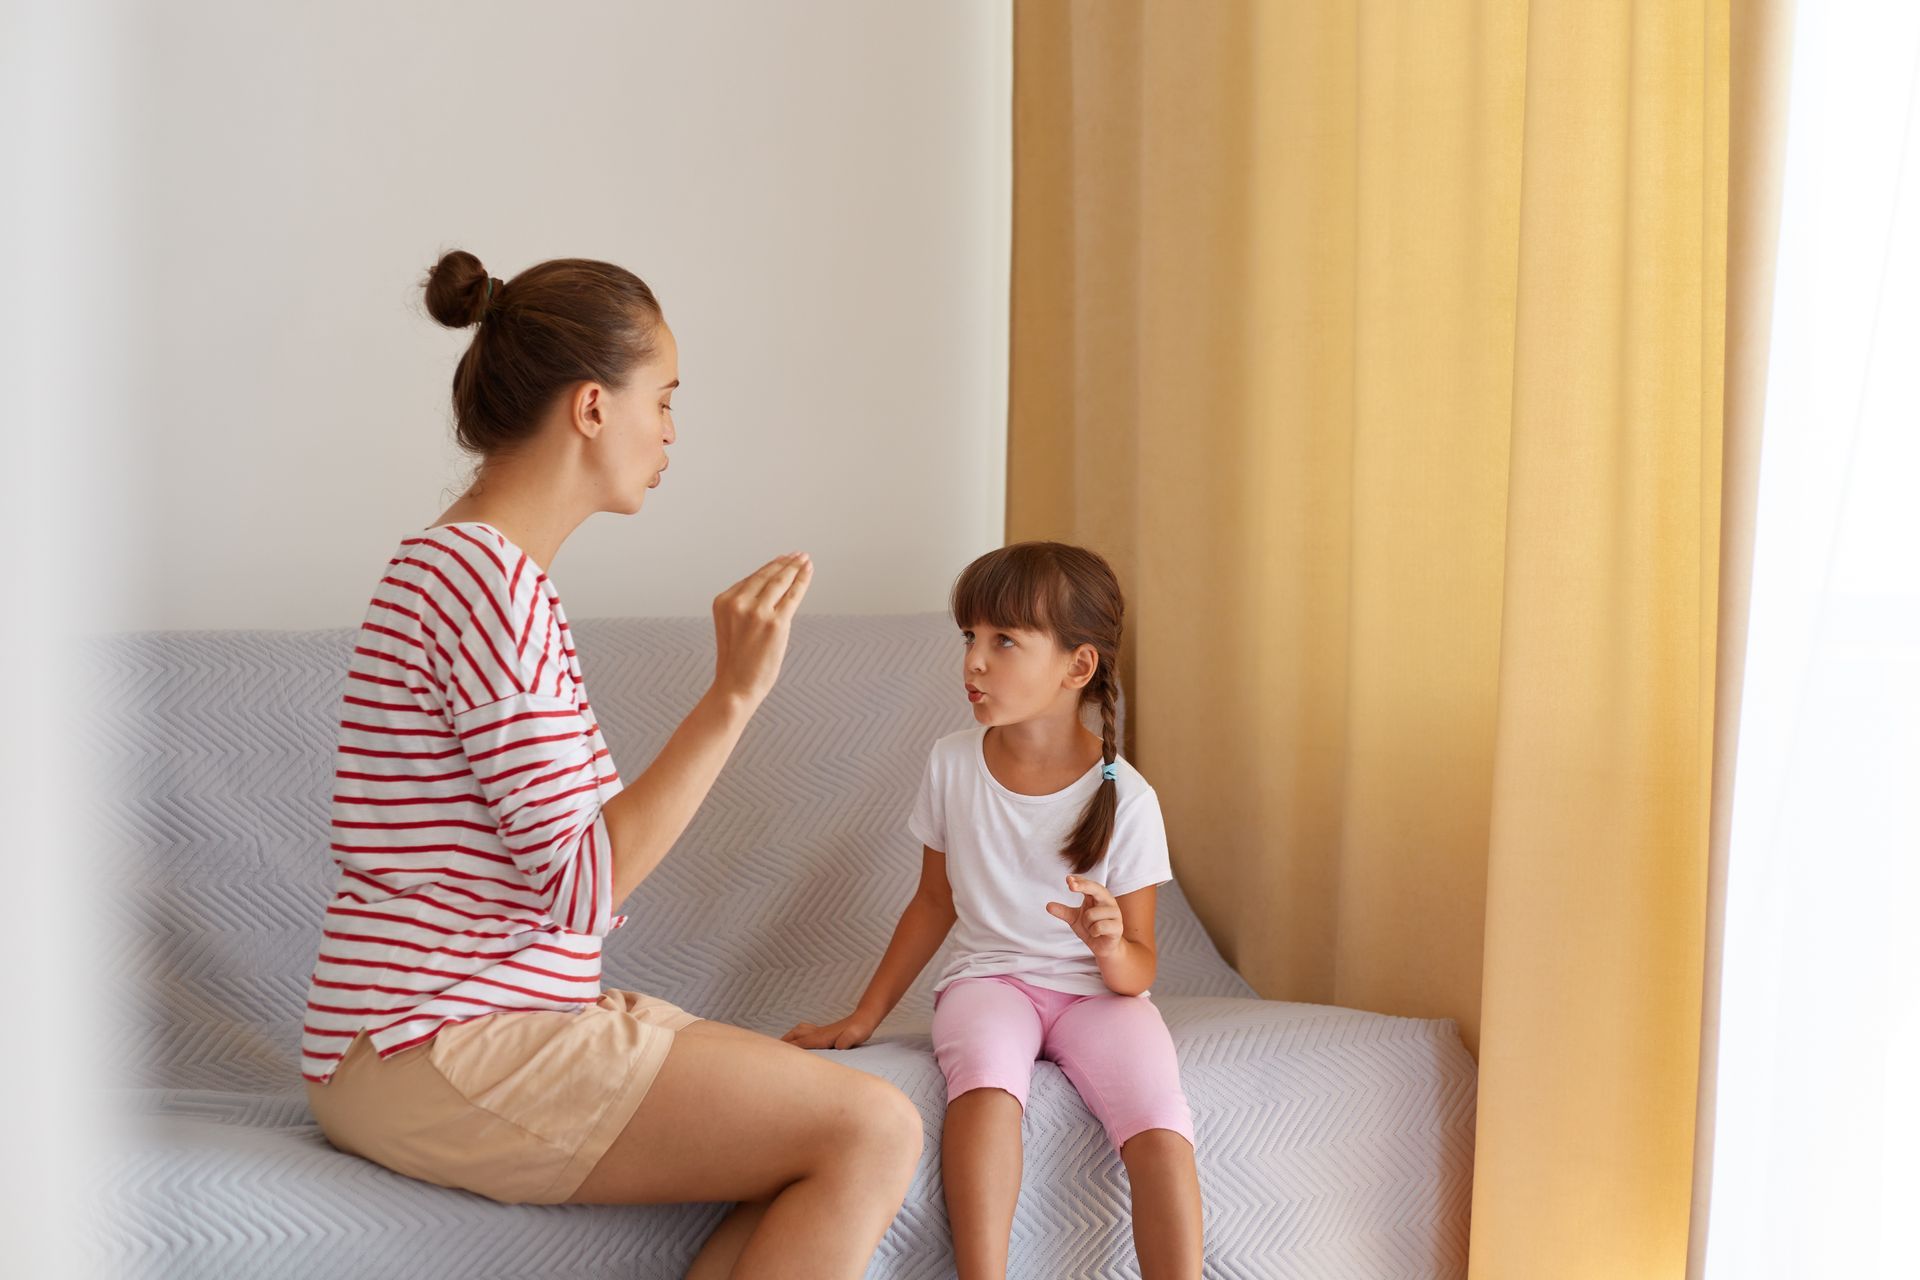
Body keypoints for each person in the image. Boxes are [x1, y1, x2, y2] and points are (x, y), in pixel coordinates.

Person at [300, 249, 922, 1280]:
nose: (671, 432)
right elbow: (589, 883)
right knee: (874, 1127)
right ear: (592, 407)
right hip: (437, 1040)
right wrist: (732, 696)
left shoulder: (464, 567)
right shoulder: (488, 587)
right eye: (664, 400)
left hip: (427, 1029)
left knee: (829, 1125)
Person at [783, 542, 1204, 1279]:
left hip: (1096, 996)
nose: (974, 662)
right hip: (990, 982)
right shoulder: (951, 762)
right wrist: (864, 1015)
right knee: (984, 1082)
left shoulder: (1129, 798)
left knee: (1161, 1123)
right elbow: (933, 901)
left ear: (1079, 667)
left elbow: (1138, 970)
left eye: (1003, 640)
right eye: (969, 638)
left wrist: (1108, 947)